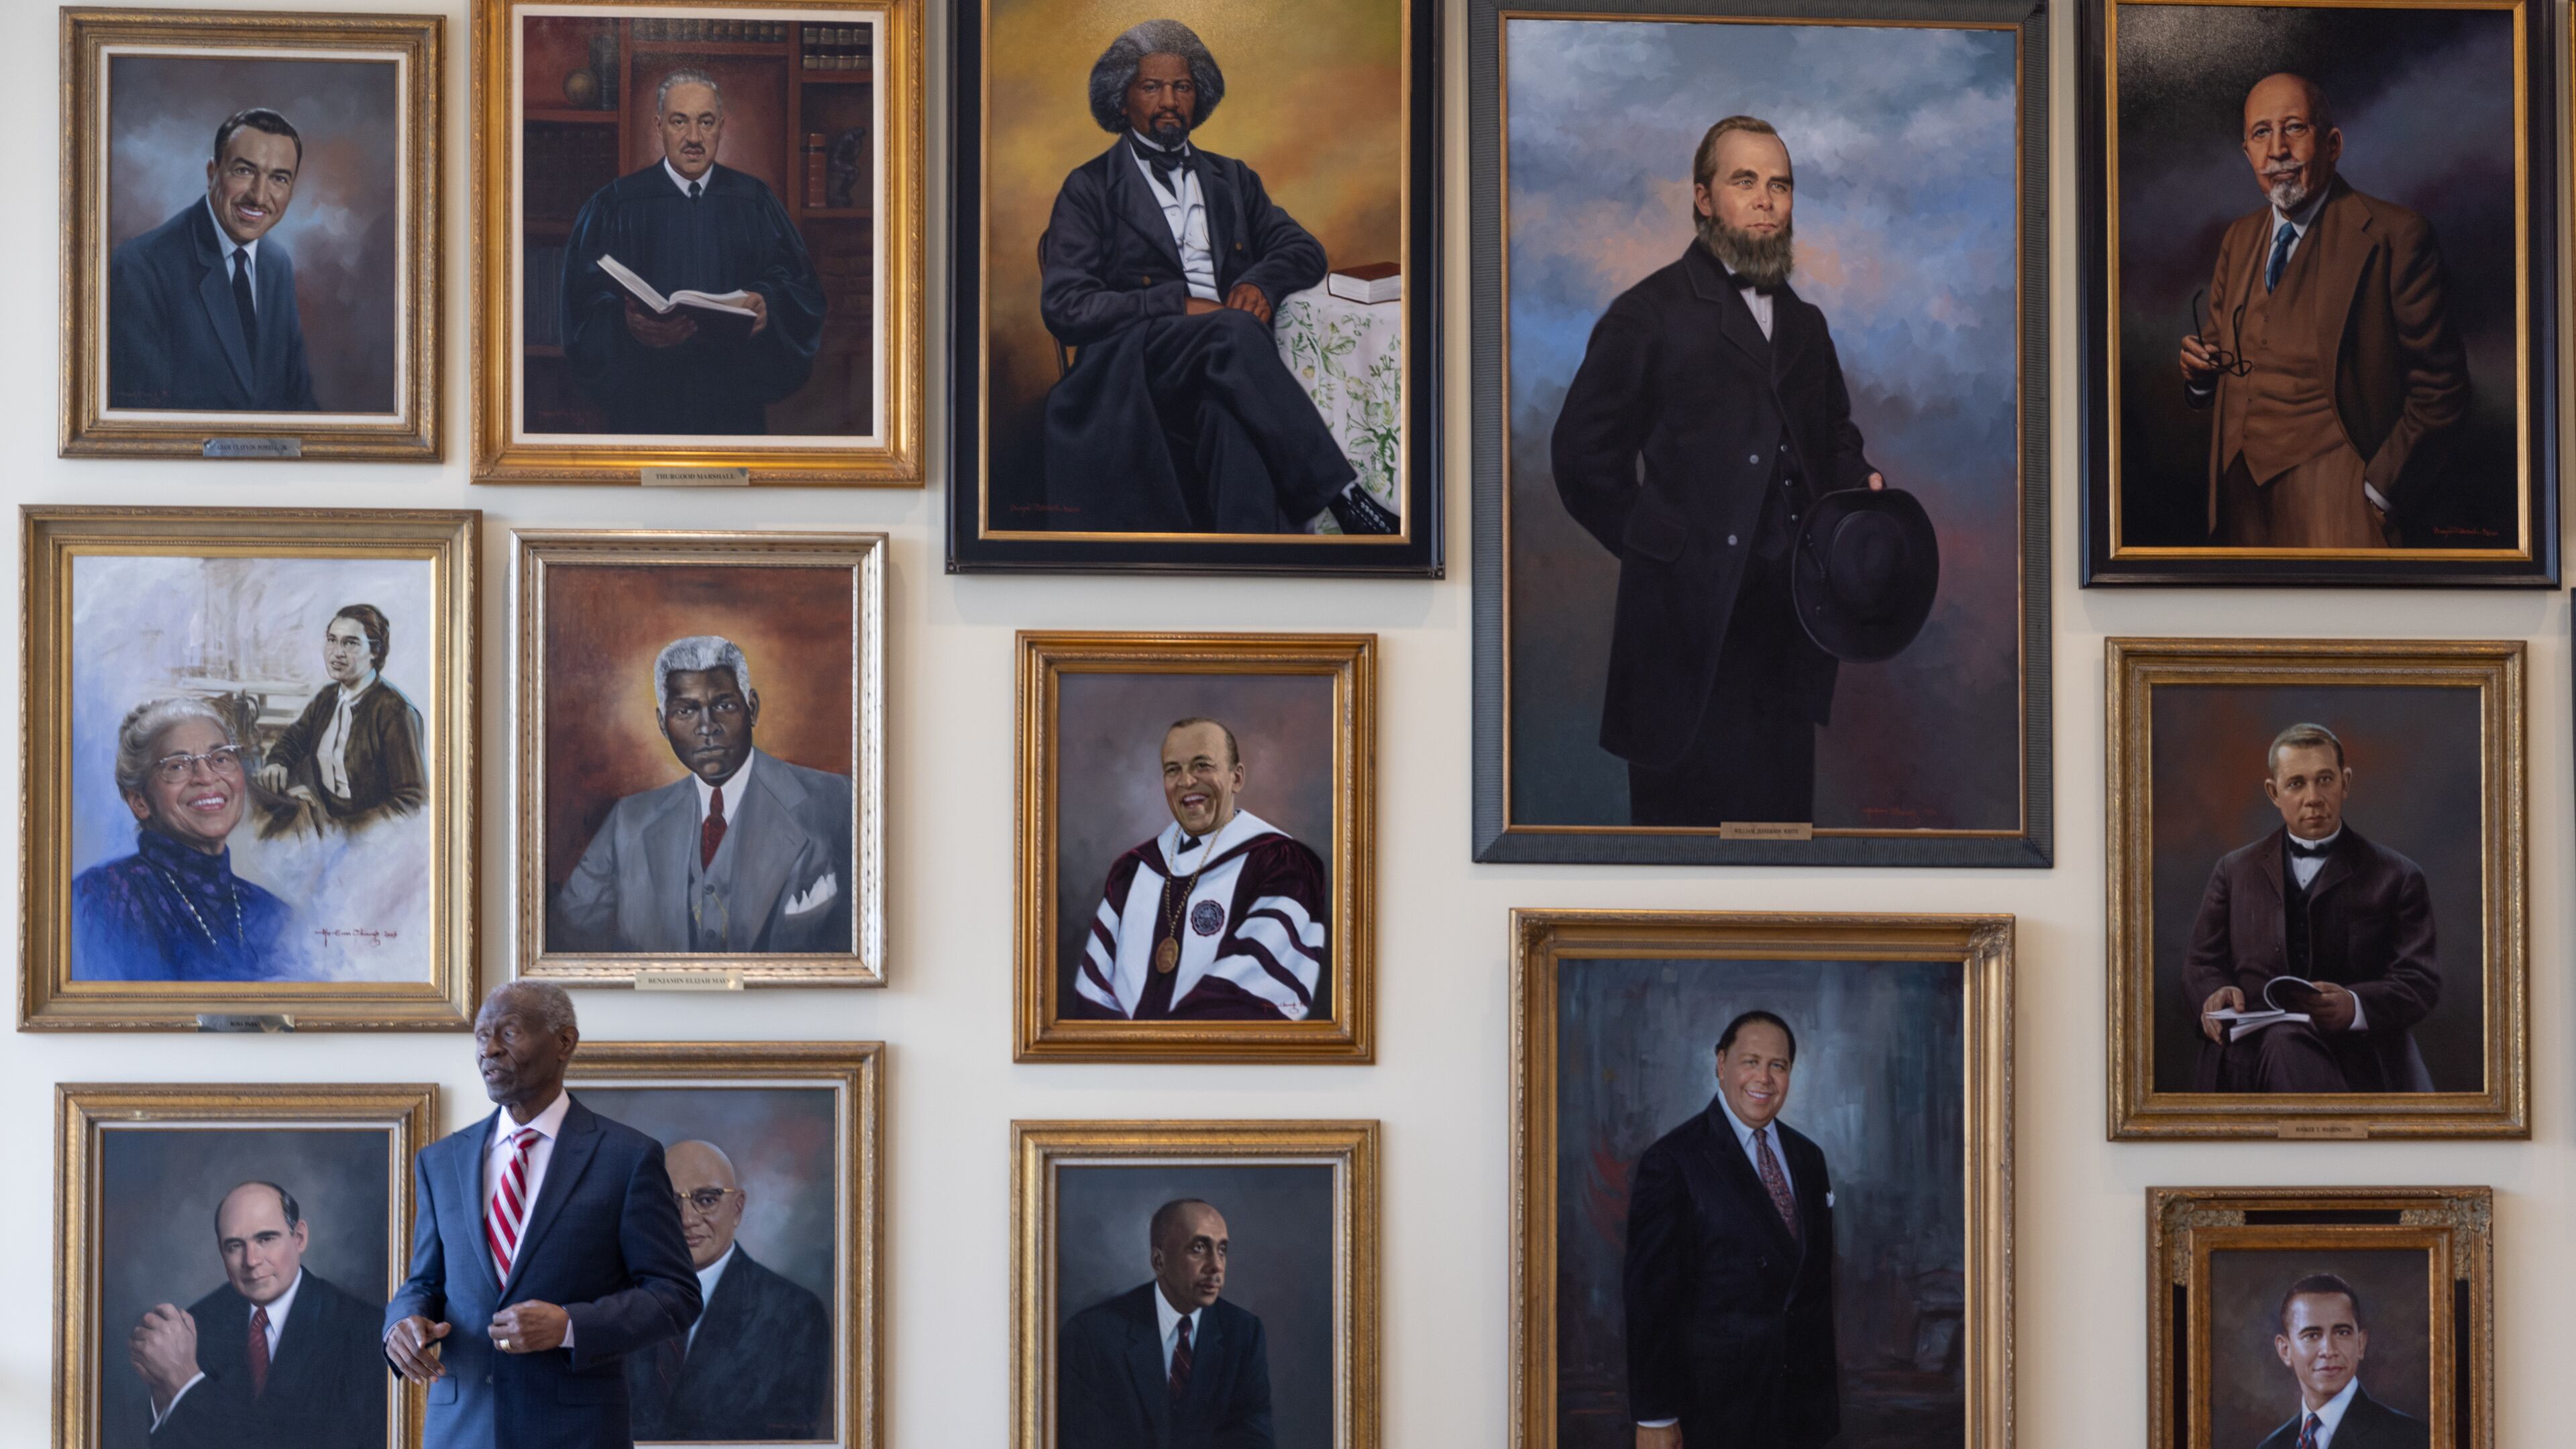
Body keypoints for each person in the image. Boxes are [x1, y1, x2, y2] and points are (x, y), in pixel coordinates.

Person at [1550, 116, 1888, 828]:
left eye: (1780, 185)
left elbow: (1833, 436)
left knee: (1779, 862)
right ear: (1704, 199)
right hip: (1685, 641)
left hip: (1788, 637)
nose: (1765, 200)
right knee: (1681, 880)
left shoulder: (1806, 325)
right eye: (1745, 182)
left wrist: (1860, 485)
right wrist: (1661, 550)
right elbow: (1582, 456)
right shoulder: (1648, 313)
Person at [1036, 19, 1397, 536]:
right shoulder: (1088, 187)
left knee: (1229, 420)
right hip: (1134, 366)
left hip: (1222, 366)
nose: (1169, 100)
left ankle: (1250, 570)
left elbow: (1302, 248)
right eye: (1152, 86)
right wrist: (1175, 305)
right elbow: (1065, 308)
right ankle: (1346, 499)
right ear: (1122, 100)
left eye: (1182, 87)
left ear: (1197, 96)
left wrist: (1261, 284)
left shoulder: (1231, 177)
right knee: (1232, 329)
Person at [384, 981, 701, 1449]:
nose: (488, 1050)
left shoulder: (628, 1158)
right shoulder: (441, 1161)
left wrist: (571, 1326)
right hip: (462, 1432)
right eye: (481, 1036)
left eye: (508, 1033)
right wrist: (402, 1324)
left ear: (564, 1043)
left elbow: (675, 1295)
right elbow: (425, 1284)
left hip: (577, 1434)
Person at [2177, 73, 2467, 549]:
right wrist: (2199, 374)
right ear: (2247, 152)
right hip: (2239, 503)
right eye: (2261, 133)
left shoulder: (2397, 236)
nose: (2277, 151)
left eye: (2294, 128)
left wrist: (2378, 494)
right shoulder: (2238, 238)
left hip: (2342, 505)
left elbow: (2442, 391)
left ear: (2332, 144)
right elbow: (2217, 362)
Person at [549, 635, 855, 955]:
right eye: (686, 711)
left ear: (751, 709)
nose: (707, 727)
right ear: (663, 725)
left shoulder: (835, 802)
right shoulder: (628, 823)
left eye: (723, 705)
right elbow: (567, 944)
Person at [560, 69, 826, 433]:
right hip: (644, 407)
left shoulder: (754, 200)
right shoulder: (617, 204)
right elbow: (581, 303)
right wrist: (627, 325)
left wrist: (768, 304)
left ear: (721, 125)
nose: (694, 138)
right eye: (679, 121)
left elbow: (801, 288)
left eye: (706, 122)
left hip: (733, 406)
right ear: (659, 126)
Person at [2184, 722, 2440, 1093]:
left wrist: (2355, 1006)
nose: (2313, 797)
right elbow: (2201, 962)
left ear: (2346, 783)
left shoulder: (2398, 875)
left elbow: (2421, 981)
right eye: (2296, 784)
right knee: (2281, 1041)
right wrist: (2214, 989)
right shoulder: (2234, 870)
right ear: (2274, 793)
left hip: (2358, 1064)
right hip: (2246, 1063)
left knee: (2287, 1044)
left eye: (2325, 780)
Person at [1623, 1010, 1837, 1449]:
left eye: (1778, 1065)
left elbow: (1811, 1296)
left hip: (1803, 1414)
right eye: (1750, 1061)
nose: (1764, 1077)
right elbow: (1650, 1301)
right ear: (1721, 1064)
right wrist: (1656, 1415)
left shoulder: (1809, 1159)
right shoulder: (1673, 1162)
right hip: (1714, 1415)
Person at [1073, 716, 1327, 1022]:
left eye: (1202, 765)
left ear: (1237, 778)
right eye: (1173, 770)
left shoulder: (1282, 865)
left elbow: (1254, 996)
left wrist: (1161, 1052)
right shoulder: (1132, 871)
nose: (1187, 781)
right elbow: (1093, 994)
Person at [125, 1181, 386, 1449]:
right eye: (235, 1246)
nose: (251, 1261)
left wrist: (185, 1382)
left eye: (266, 1239)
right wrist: (162, 1391)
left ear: (299, 1238)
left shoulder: (365, 1330)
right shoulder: (198, 1323)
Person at [108, 107, 320, 413]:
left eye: (279, 178)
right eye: (244, 171)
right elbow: (140, 424)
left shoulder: (277, 265)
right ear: (212, 173)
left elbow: (299, 404)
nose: (260, 196)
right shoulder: (140, 269)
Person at [71, 697, 292, 981]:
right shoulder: (97, 900)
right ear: (140, 802)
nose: (206, 777)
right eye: (177, 765)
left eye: (221, 758)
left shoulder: (274, 913)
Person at [624, 1140, 831, 1442]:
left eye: (706, 1200)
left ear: (737, 1208)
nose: (687, 1219)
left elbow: (792, 1440)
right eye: (670, 1201)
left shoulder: (795, 1313)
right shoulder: (617, 1300)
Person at [1059, 1198, 1274, 1449]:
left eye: (1222, 1250)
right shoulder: (1091, 1335)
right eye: (1199, 1249)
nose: (1216, 1265)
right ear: (1159, 1261)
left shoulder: (1244, 1333)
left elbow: (1254, 1439)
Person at [256, 604, 427, 837]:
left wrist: (347, 832)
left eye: (351, 643)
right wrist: (277, 762)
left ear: (375, 651)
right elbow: (294, 739)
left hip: (370, 840)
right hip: (324, 828)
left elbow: (412, 802)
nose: (337, 652)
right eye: (332, 640)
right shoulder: (327, 699)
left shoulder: (395, 712)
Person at [2255, 1275, 2428, 1449]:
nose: (2329, 1351)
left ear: (2360, 1344)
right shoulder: (2272, 1446)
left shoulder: (2412, 1439)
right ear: (2285, 1350)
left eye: (2342, 1333)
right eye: (2312, 1335)